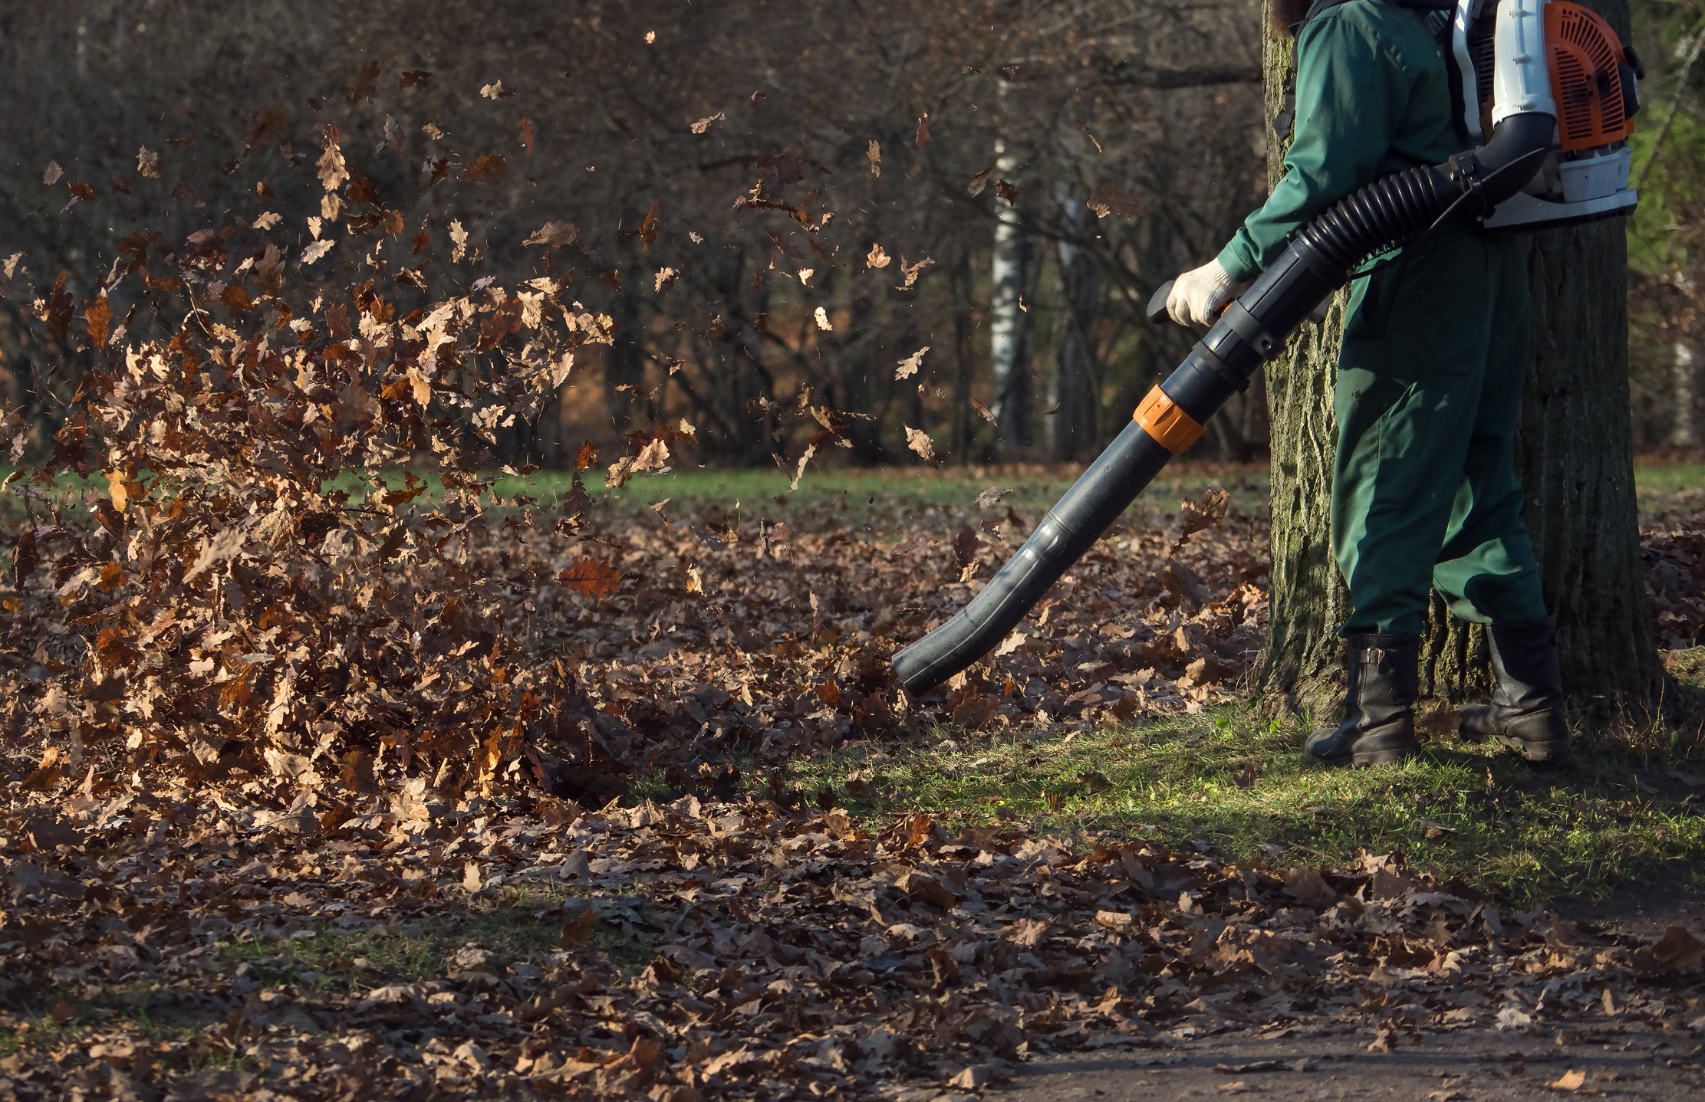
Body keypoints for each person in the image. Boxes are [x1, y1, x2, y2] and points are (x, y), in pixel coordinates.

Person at [1166, 0, 1568, 768]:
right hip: (1491, 271)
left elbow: (1320, 175)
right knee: (1474, 484)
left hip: (1417, 277)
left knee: (1384, 482)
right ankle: (1533, 708)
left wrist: (1228, 265)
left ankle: (1378, 724)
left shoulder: (1351, 25)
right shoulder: (1433, 19)